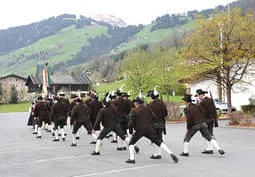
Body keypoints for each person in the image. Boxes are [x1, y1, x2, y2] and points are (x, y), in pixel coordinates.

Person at [126, 97, 178, 164]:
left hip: (139, 130)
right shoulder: (148, 109)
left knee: (131, 143)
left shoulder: (134, 110)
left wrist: (130, 131)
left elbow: (131, 123)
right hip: (149, 129)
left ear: (136, 103)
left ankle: (132, 159)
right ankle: (170, 152)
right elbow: (154, 118)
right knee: (158, 141)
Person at [147, 87, 168, 159]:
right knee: (159, 138)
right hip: (161, 124)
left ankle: (156, 154)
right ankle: (158, 154)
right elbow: (165, 114)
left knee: (154, 139)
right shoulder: (162, 103)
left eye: (150, 96)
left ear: (152, 97)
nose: (149, 98)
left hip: (153, 125)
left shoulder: (150, 105)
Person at [196, 89, 218, 154]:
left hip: (206, 120)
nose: (198, 97)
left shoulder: (203, 102)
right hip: (212, 120)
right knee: (210, 134)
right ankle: (210, 148)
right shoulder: (210, 100)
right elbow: (214, 110)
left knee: (206, 134)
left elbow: (202, 112)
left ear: (201, 95)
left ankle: (210, 149)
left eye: (198, 95)